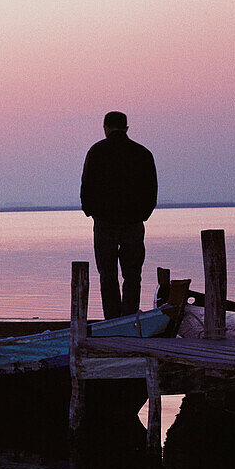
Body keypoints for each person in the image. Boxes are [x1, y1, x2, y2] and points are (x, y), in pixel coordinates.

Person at [80, 111, 158, 319]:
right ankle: (130, 318)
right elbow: (151, 189)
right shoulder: (142, 153)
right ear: (126, 128)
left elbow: (86, 186)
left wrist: (92, 212)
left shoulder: (96, 152)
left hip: (105, 222)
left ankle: (112, 320)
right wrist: (143, 214)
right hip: (133, 222)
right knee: (133, 275)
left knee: (108, 275)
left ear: (105, 127)